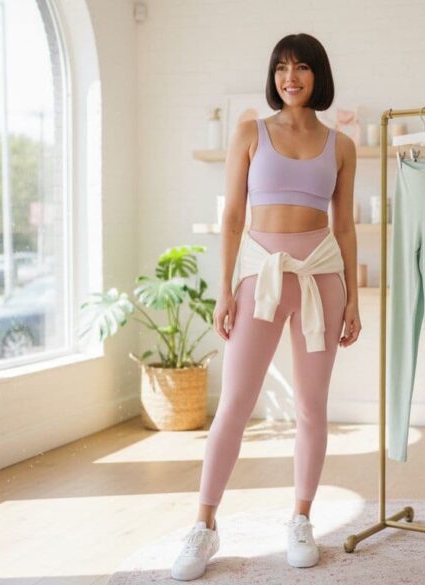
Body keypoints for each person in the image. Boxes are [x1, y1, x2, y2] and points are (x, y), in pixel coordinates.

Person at [171, 33, 360, 581]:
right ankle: (204, 524)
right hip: (261, 274)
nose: (290, 78)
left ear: (318, 75)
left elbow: (345, 225)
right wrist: (226, 288)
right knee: (234, 403)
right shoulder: (250, 132)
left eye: (301, 67)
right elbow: (233, 216)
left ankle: (301, 519)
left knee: (311, 407)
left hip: (321, 275)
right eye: (281, 68)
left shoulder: (341, 145)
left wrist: (350, 299)